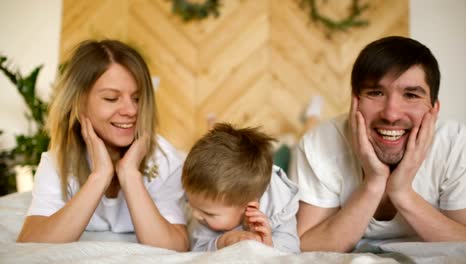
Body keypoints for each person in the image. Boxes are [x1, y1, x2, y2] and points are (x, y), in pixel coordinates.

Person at [293, 36, 466, 252]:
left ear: (434, 109)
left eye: (411, 95)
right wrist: (373, 183)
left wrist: (402, 192)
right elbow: (308, 246)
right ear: (354, 101)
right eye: (376, 93)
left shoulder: (455, 144)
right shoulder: (318, 143)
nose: (391, 114)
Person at [16, 39, 189, 251]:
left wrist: (130, 175)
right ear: (78, 103)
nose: (131, 110)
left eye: (137, 98)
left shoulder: (164, 160)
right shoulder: (57, 161)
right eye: (111, 98)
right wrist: (100, 176)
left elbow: (175, 247)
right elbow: (30, 243)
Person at [182, 123, 300, 253]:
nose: (195, 214)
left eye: (209, 213)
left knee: (286, 156)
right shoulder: (205, 207)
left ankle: (288, 146)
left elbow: (293, 250)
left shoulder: (279, 208)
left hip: (274, 178)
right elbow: (197, 250)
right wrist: (221, 242)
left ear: (249, 208)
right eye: (192, 205)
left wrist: (270, 244)